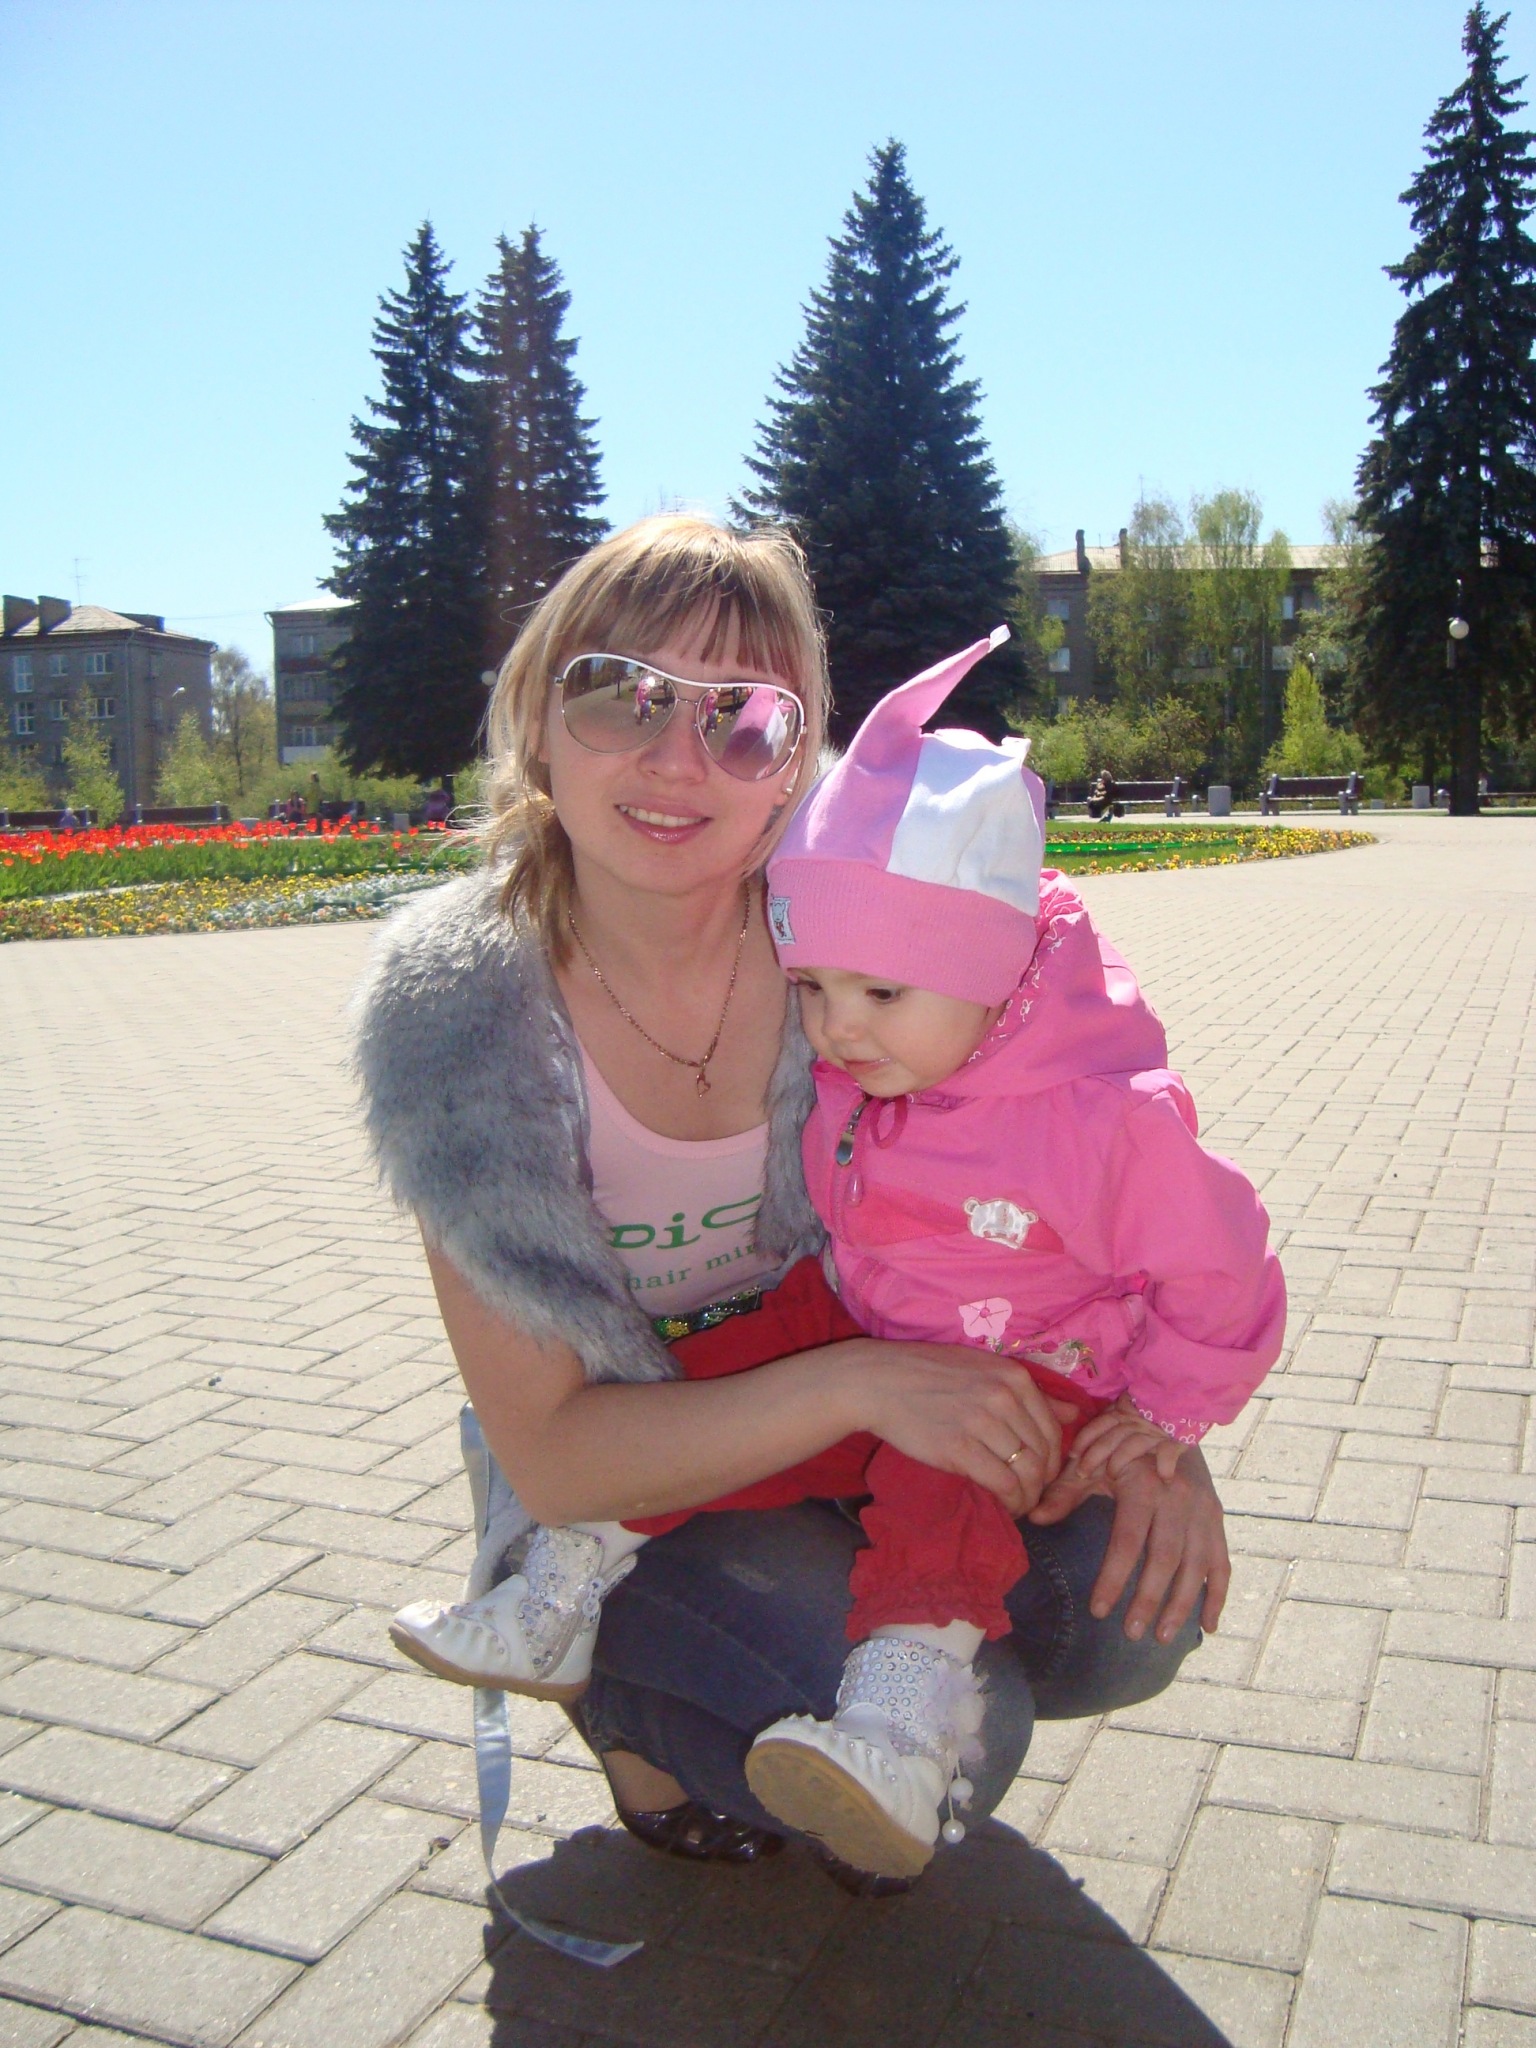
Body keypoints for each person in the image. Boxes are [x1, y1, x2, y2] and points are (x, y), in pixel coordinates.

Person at [356, 516, 1236, 1891]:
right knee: (972, 1727)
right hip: (623, 1486)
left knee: (1128, 1601)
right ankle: (635, 1712)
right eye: (619, 693)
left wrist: (1158, 1432)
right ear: (536, 720)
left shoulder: (864, 939)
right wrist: (865, 1384)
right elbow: (564, 1457)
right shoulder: (458, 1022)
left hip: (880, 1413)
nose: (677, 758)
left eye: (744, 721)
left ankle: (802, 1656)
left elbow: (1088, 1169)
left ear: (800, 762)